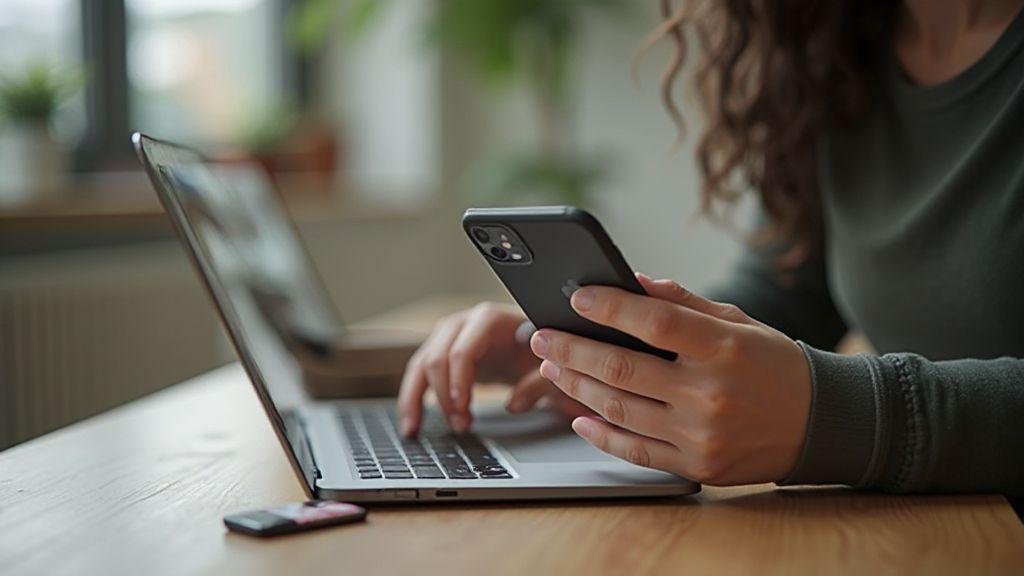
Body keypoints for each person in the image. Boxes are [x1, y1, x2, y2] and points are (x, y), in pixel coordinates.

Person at [398, 0, 1024, 499]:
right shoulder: (838, 48)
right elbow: (787, 290)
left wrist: (839, 417)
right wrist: (593, 351)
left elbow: (830, 401)